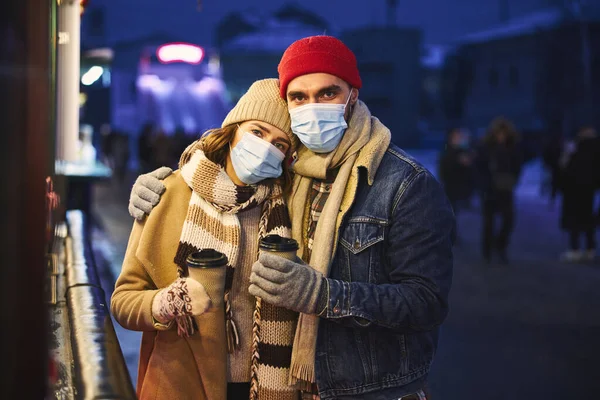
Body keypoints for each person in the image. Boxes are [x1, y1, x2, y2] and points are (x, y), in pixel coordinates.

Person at [128, 36, 455, 400]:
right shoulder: (286, 176)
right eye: (299, 97)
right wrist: (158, 185)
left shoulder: (406, 184)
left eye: (328, 93)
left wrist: (323, 294)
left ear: (353, 96)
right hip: (295, 389)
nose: (313, 108)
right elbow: (219, 173)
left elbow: (426, 302)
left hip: (373, 390)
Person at [111, 79, 304, 400]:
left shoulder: (289, 206)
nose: (267, 147)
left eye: (280, 144)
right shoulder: (168, 193)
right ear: (232, 131)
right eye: (257, 132)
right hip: (181, 382)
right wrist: (164, 303)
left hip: (267, 386)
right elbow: (123, 301)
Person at [475, 117, 523, 264]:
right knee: (488, 222)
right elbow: (479, 167)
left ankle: (500, 246)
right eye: (498, 133)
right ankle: (487, 252)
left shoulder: (512, 147)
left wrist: (513, 179)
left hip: (505, 188)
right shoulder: (486, 147)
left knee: (508, 219)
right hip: (489, 189)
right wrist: (483, 183)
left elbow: (517, 166)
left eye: (504, 133)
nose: (501, 136)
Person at [558, 126, 599, 262]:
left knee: (575, 219)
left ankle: (576, 249)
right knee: (587, 219)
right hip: (589, 189)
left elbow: (566, 167)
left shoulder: (577, 147)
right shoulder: (593, 148)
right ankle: (589, 248)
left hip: (575, 189)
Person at [438, 127, 475, 219]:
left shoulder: (465, 151)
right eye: (456, 136)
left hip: (464, 191)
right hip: (451, 190)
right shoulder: (447, 152)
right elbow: (444, 172)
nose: (459, 138)